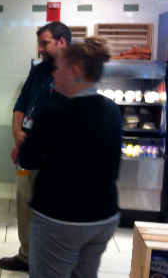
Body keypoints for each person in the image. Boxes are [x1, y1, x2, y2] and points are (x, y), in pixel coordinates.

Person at [20, 36, 121, 277]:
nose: (53, 73)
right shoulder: (112, 110)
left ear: (74, 71)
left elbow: (27, 159)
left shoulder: (54, 114)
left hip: (61, 221)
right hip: (103, 217)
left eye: (58, 67)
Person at [0, 21, 70, 272]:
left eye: (44, 43)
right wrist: (18, 135)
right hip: (26, 156)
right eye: (39, 43)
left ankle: (49, 261)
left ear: (62, 42)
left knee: (51, 214)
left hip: (52, 161)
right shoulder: (39, 71)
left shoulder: (70, 74)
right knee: (24, 206)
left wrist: (32, 144)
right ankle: (27, 255)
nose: (40, 49)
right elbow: (21, 104)